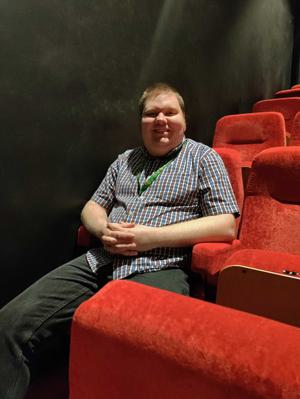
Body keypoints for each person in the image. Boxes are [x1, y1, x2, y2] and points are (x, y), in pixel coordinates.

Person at [0, 82, 239, 399]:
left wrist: (149, 238)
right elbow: (92, 206)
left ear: (185, 120)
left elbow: (225, 225)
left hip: (159, 266)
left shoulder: (204, 158)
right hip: (100, 260)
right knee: (8, 326)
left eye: (170, 112)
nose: (160, 120)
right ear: (141, 122)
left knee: (134, 354)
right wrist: (102, 229)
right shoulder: (124, 160)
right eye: (152, 113)